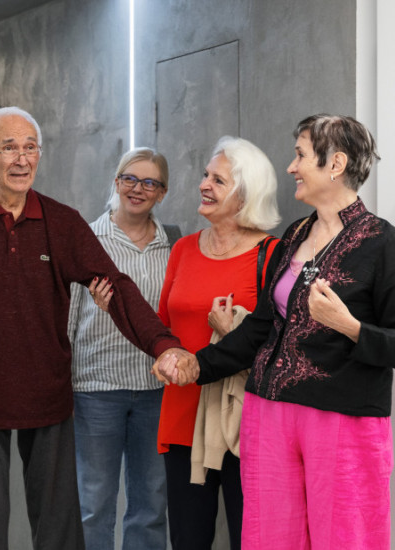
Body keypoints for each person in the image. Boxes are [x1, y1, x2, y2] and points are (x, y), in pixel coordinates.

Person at [0, 106, 184, 550]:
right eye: (9, 148)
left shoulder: (61, 222)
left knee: (59, 527)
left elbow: (115, 287)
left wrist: (162, 345)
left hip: (47, 395)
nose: (22, 159)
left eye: (31, 147)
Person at [156, 114, 395, 550]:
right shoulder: (295, 234)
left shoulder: (384, 243)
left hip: (341, 418)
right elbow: (262, 327)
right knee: (268, 538)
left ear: (335, 164)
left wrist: (349, 326)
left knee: (344, 539)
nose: (291, 167)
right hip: (268, 411)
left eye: (300, 155)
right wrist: (197, 365)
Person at [156, 136, 281, 549]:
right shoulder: (183, 249)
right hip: (182, 415)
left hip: (246, 424)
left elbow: (284, 341)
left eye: (218, 180)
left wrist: (231, 334)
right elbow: (164, 327)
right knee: (187, 540)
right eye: (205, 175)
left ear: (246, 194)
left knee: (252, 539)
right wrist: (164, 355)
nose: (204, 185)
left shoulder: (274, 254)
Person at [67, 147, 171, 550]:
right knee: (93, 505)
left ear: (162, 192)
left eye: (149, 182)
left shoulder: (174, 246)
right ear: (116, 182)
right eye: (129, 178)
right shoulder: (86, 241)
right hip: (96, 390)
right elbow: (68, 320)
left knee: (151, 505)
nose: (137, 189)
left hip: (156, 392)